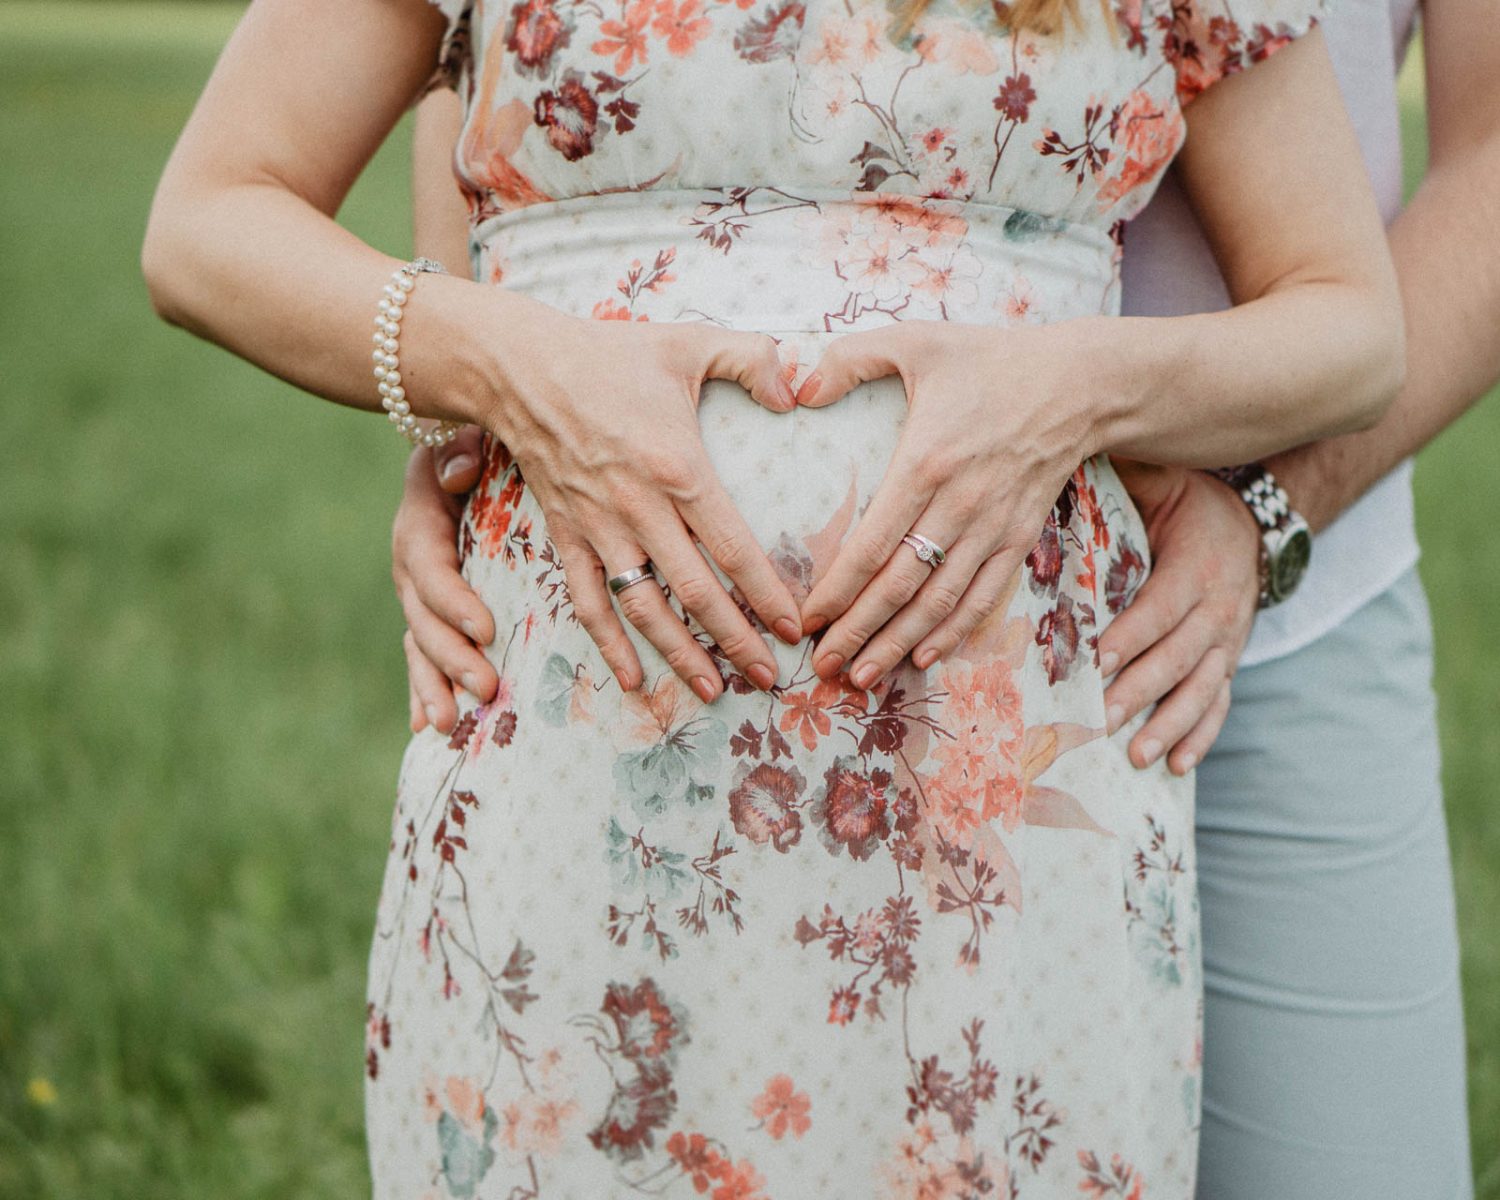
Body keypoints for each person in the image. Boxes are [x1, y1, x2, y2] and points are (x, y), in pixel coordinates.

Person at [142, 0, 1405, 1194]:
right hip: (577, 766)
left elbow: (1350, 323)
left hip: (1005, 807)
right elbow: (208, 221)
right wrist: (502, 366)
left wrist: (1075, 389)